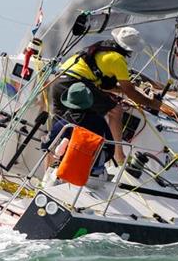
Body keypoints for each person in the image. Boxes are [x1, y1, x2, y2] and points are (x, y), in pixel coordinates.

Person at [51, 27, 162, 163]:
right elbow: (130, 91)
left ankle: (48, 172)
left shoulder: (101, 49)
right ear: (130, 49)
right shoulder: (117, 60)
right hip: (74, 83)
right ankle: (119, 156)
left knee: (57, 131)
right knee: (115, 111)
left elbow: (103, 85)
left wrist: (120, 91)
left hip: (58, 82)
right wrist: (152, 103)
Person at [42, 82, 114, 175]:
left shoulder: (63, 124)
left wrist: (44, 140)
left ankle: (45, 179)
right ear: (89, 101)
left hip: (65, 171)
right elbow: (111, 149)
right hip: (92, 173)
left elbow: (46, 145)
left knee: (50, 145)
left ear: (69, 102)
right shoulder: (100, 121)